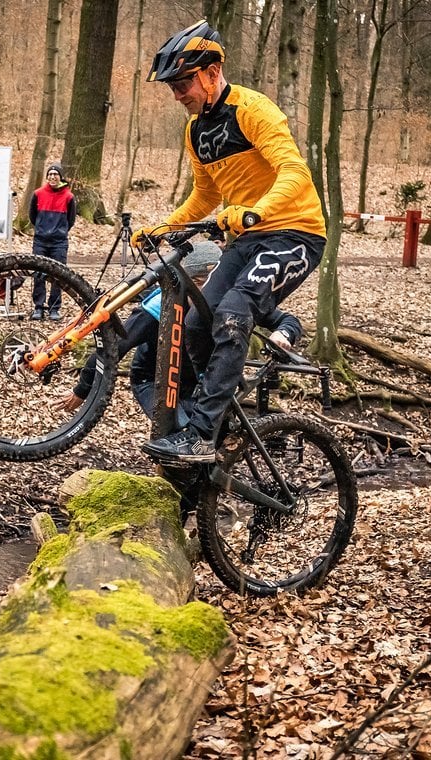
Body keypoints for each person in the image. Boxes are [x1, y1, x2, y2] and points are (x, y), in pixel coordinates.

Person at [132, 19, 326, 464]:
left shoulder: (254, 110)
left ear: (212, 72)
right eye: (173, 86)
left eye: (183, 83)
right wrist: (162, 227)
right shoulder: (195, 131)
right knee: (198, 322)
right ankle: (219, 418)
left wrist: (256, 210)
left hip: (295, 234)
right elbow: (206, 195)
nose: (178, 94)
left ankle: (201, 433)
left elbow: (294, 173)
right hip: (245, 239)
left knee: (235, 311)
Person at [53, 242, 303, 424]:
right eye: (200, 281)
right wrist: (82, 390)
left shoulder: (230, 301)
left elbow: (288, 319)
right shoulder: (158, 308)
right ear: (188, 282)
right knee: (178, 430)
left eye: (213, 282)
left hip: (202, 382)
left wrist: (284, 333)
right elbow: (112, 347)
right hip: (153, 380)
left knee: (211, 437)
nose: (207, 290)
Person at [28, 164, 77, 321]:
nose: (53, 177)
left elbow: (71, 220)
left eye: (56, 174)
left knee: (59, 275)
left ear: (61, 177)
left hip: (59, 242)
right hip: (40, 241)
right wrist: (42, 229)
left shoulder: (69, 197)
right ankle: (38, 307)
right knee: (38, 273)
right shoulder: (38, 194)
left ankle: (54, 308)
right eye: (50, 174)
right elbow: (32, 216)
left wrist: (59, 231)